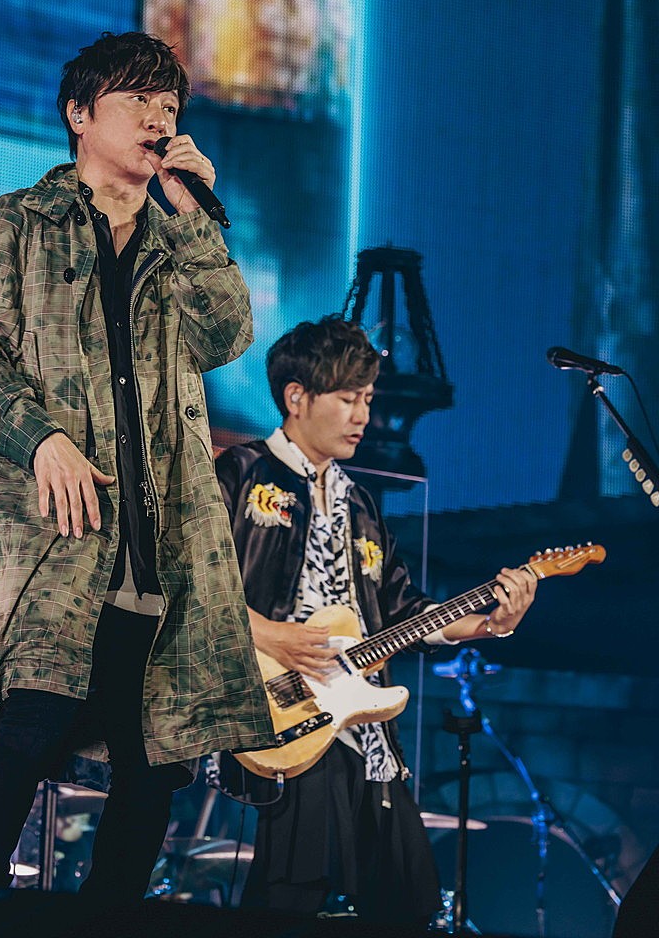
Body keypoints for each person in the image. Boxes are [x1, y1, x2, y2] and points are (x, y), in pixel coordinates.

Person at [0, 31, 273, 903]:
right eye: (138, 101)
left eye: (170, 105)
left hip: (158, 539)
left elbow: (226, 334)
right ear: (80, 115)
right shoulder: (14, 226)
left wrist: (193, 216)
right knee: (30, 723)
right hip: (54, 537)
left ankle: (110, 916)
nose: (159, 118)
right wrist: (42, 439)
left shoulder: (175, 238)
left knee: (154, 756)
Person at [215, 316, 538, 927]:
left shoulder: (360, 504)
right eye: (348, 398)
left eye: (367, 398)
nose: (363, 415)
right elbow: (190, 587)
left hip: (362, 726)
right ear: (296, 397)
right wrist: (274, 634)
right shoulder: (239, 473)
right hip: (279, 712)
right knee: (291, 893)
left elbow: (404, 611)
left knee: (407, 899)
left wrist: (492, 624)